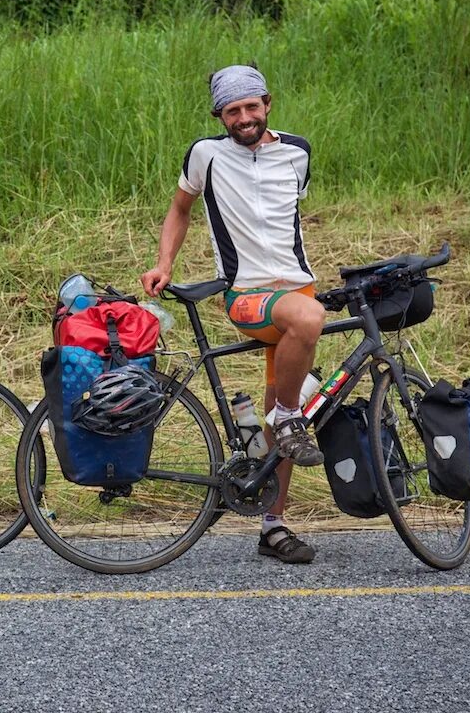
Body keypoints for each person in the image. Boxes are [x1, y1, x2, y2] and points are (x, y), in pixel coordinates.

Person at [140, 64, 326, 564]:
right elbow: (180, 209)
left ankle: (273, 524)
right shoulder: (207, 155)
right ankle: (288, 419)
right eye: (232, 111)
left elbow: (286, 220)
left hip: (299, 288)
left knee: (281, 407)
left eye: (251, 107)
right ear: (219, 115)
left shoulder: (298, 153)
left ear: (268, 103)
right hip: (247, 295)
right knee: (304, 344)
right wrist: (164, 264)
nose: (243, 117)